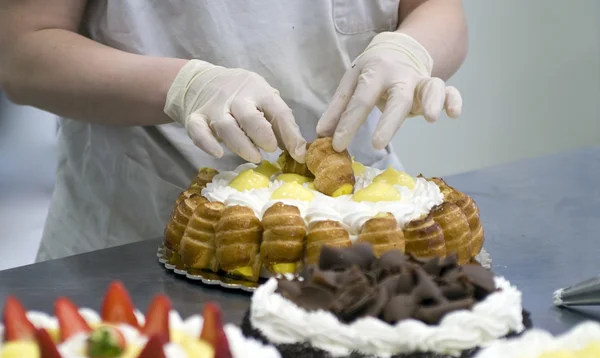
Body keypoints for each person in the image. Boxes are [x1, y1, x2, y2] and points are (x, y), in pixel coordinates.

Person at [0, 0, 467, 262]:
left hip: (367, 241)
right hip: (139, 237)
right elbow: (21, 53)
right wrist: (184, 87)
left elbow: (434, 7)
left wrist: (410, 50)